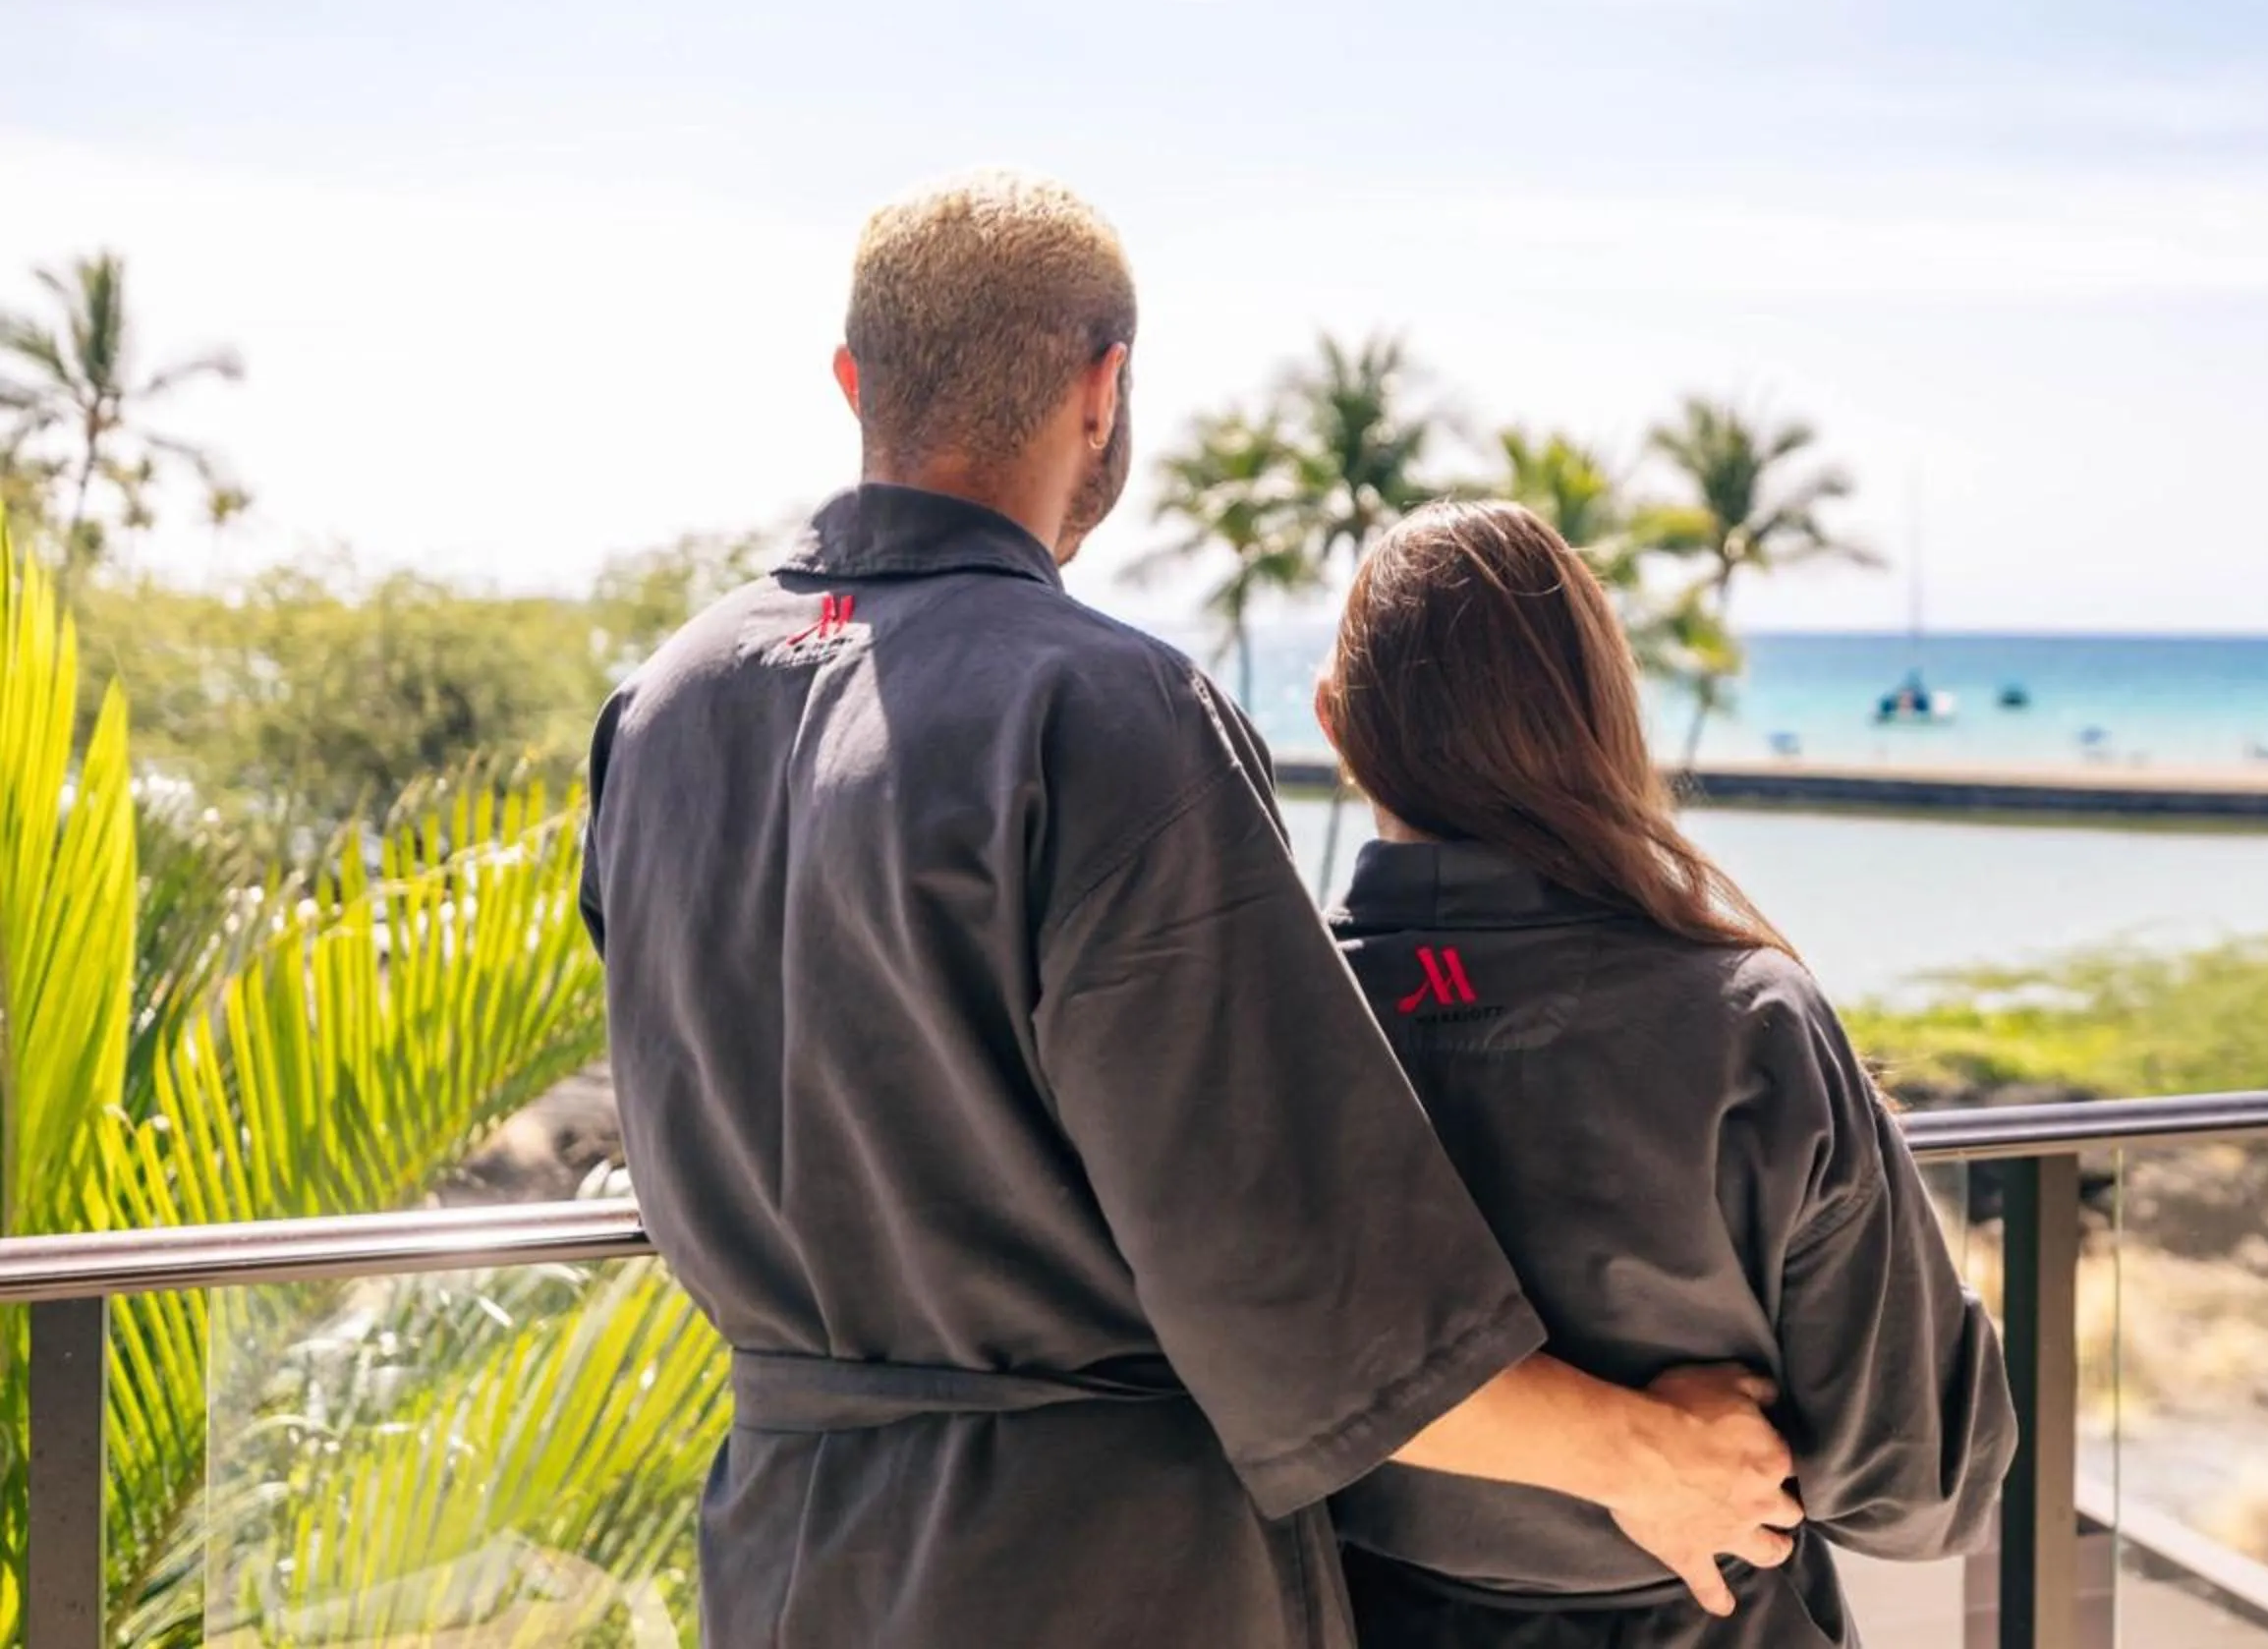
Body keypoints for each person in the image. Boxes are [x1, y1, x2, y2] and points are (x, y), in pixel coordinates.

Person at [579, 173, 1800, 1648]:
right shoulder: (1103, 713)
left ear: (855, 383)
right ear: (1105, 393)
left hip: (786, 1553)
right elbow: (1285, 1266)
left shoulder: (660, 711)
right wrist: (1654, 1462)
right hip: (1094, 1576)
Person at [1315, 500, 2018, 1647]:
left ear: (1334, 725)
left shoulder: (1267, 1025)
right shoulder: (1749, 1024)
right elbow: (1919, 1488)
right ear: (1603, 718)